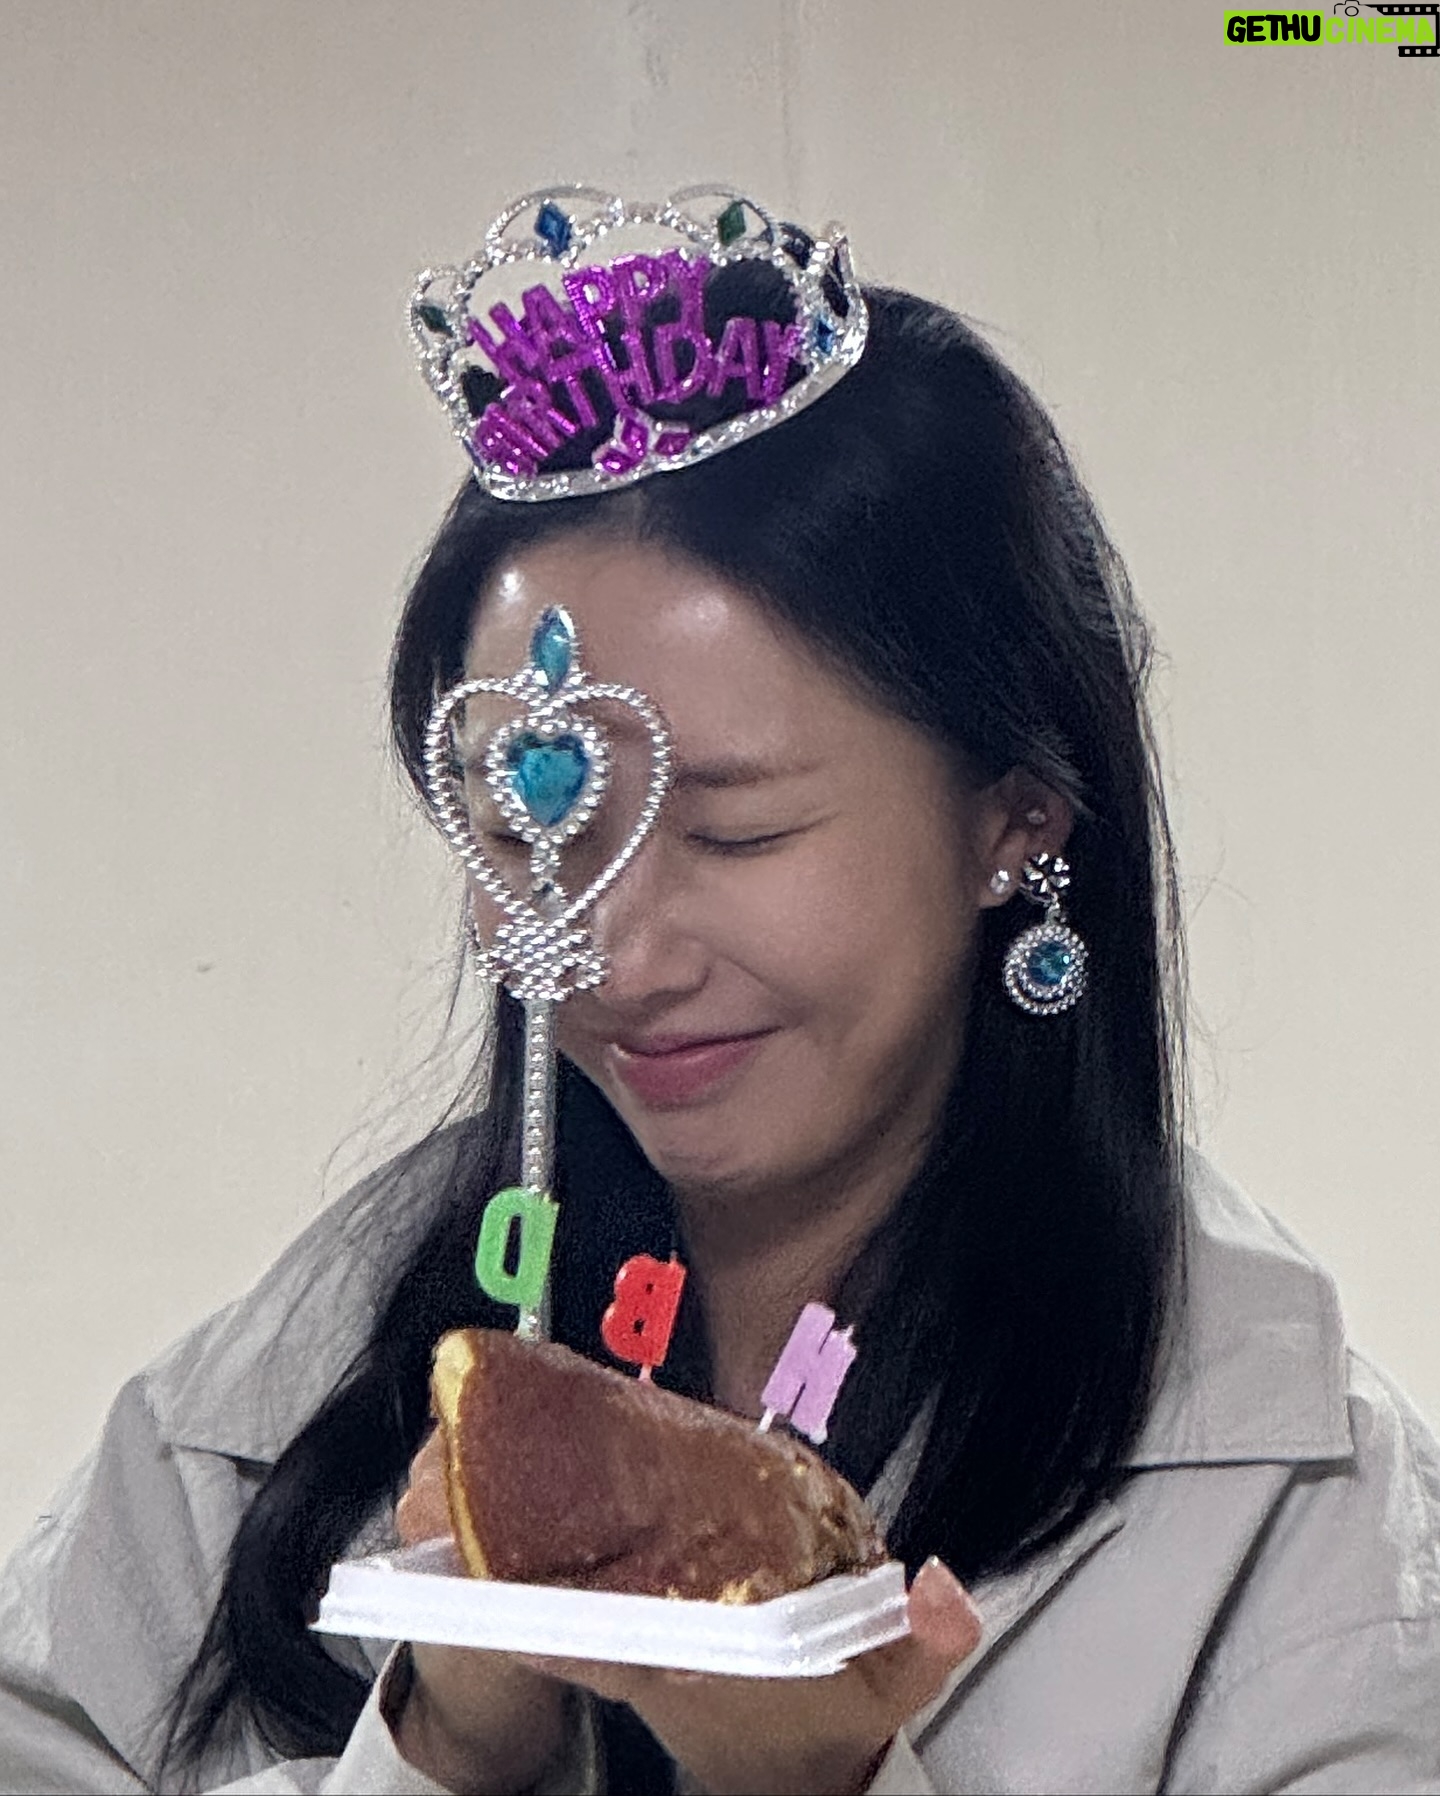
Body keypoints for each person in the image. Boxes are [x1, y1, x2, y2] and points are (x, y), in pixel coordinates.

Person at [1, 187, 1437, 1796]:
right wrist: (438, 1748)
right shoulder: (297, 1381)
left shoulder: (1283, 1494)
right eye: (528, 837)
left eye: (735, 832)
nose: (614, 954)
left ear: (1013, 821)